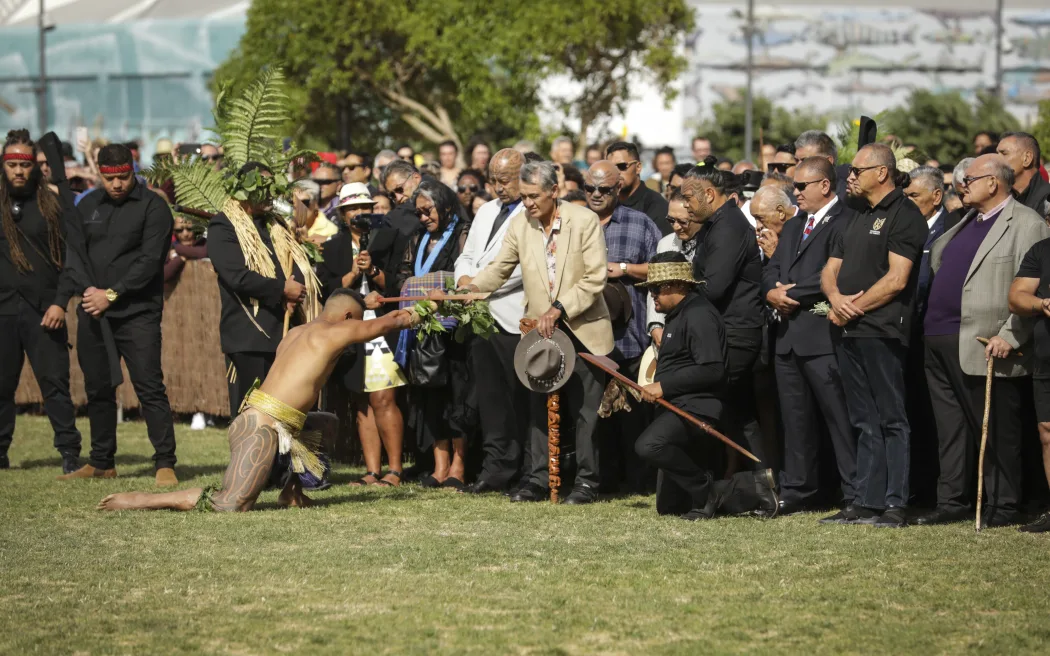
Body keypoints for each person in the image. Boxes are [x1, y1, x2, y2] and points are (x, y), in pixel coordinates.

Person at [96, 290, 428, 512]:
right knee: (231, 506)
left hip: (276, 423)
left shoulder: (298, 333)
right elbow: (394, 321)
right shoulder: (333, 333)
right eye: (355, 319)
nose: (355, 328)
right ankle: (143, 500)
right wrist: (433, 304)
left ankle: (292, 491)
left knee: (325, 423)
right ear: (345, 318)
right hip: (260, 427)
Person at [466, 160, 613, 504]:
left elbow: (595, 277)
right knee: (537, 409)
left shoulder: (584, 221)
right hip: (540, 333)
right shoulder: (521, 224)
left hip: (584, 329)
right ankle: (538, 480)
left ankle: (586, 483)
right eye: (525, 197)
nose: (528, 203)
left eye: (534, 197)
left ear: (554, 192)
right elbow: (500, 268)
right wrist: (468, 289)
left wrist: (559, 308)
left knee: (585, 412)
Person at [918, 155, 1050, 528]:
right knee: (950, 428)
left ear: (994, 182)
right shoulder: (965, 221)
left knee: (995, 428)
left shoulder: (1026, 223)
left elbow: (1032, 287)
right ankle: (952, 500)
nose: (962, 184)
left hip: (986, 341)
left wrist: (1010, 335)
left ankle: (1003, 505)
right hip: (939, 336)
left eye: (970, 178)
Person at [819, 143, 928, 527]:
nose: (850, 176)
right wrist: (835, 299)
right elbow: (830, 270)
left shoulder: (904, 214)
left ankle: (895, 504)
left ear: (881, 173)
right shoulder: (853, 214)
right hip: (847, 328)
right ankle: (864, 501)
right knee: (864, 419)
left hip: (881, 330)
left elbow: (897, 279)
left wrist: (854, 306)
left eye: (857, 171)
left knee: (891, 419)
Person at [59, 143, 178, 486]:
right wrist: (89, 294)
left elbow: (150, 261)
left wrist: (111, 294)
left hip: (137, 312)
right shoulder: (88, 205)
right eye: (110, 179)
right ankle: (101, 461)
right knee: (97, 387)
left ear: (133, 170)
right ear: (99, 174)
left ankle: (165, 462)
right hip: (93, 310)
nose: (117, 185)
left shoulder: (154, 207)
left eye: (124, 177)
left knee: (149, 386)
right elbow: (74, 256)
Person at [634, 252, 779, 519]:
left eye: (656, 289)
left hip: (698, 407)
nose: (652, 296)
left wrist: (663, 386)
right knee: (669, 508)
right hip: (678, 404)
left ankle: (710, 489)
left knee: (648, 445)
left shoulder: (699, 315)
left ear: (677, 285)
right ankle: (735, 491)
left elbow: (713, 370)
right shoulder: (677, 315)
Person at [762, 156, 856, 515]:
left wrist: (790, 294)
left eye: (801, 186)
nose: (795, 192)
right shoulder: (795, 223)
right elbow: (771, 267)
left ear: (825, 185)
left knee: (839, 418)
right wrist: (771, 291)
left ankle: (852, 491)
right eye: (794, 186)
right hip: (788, 337)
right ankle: (798, 490)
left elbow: (832, 274)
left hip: (822, 336)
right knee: (795, 419)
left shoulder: (844, 221)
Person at [0, 129, 81, 473]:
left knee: (55, 386)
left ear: (34, 165)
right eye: (12, 163)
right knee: (1, 387)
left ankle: (69, 453)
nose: (18, 170)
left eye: (24, 163)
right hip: (3, 310)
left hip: (44, 310)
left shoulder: (52, 203)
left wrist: (60, 303)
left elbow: (72, 258)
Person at [318, 183, 407, 487]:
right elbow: (331, 290)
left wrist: (374, 270)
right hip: (350, 330)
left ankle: (394, 470)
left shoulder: (390, 238)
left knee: (383, 398)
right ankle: (371, 471)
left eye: (364, 208)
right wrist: (355, 273)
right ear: (342, 214)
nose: (358, 213)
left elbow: (397, 283)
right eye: (352, 209)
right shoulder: (332, 248)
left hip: (382, 327)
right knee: (361, 401)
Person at [206, 162, 310, 417]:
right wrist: (282, 290)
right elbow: (236, 276)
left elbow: (295, 263)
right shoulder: (223, 226)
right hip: (249, 333)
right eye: (261, 187)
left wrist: (295, 288)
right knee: (252, 410)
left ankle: (280, 458)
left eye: (271, 187)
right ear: (244, 190)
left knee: (283, 409)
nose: (269, 194)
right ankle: (251, 457)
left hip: (285, 332)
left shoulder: (277, 225)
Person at [455, 148, 530, 494]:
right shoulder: (486, 210)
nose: (499, 188)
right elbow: (468, 255)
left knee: (518, 398)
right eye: (495, 181)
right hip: (480, 316)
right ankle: (494, 468)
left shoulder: (531, 211)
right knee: (490, 398)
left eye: (506, 181)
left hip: (513, 313)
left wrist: (481, 285)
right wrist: (463, 281)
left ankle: (524, 469)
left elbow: (523, 266)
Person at [681, 167, 767, 466]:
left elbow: (713, 287)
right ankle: (755, 487)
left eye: (688, 197)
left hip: (735, 334)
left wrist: (679, 297)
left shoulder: (729, 226)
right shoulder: (715, 225)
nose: (685, 205)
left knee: (709, 406)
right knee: (738, 414)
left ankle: (738, 485)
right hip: (725, 332)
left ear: (709, 194)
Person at [586, 160, 660, 493]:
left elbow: (662, 270)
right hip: (585, 333)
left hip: (628, 335)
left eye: (604, 189)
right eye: (590, 188)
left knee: (632, 414)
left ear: (619, 188)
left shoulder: (640, 222)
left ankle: (639, 481)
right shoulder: (574, 223)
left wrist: (626, 268)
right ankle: (601, 479)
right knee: (592, 413)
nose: (596, 195)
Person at [393, 179, 472, 489]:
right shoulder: (417, 238)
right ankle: (439, 465)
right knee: (429, 397)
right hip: (422, 328)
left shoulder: (462, 235)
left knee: (456, 396)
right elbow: (404, 276)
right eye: (419, 212)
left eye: (428, 210)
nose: (424, 217)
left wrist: (440, 285)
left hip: (454, 330)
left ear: (446, 205)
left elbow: (468, 274)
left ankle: (459, 465)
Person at [1008, 236, 1050, 532]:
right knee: (1047, 432)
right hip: (1046, 359)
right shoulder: (1042, 250)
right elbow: (1017, 296)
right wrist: (1042, 302)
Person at [647, 192, 701, 347]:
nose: (676, 226)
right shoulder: (665, 244)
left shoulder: (709, 244)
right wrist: (655, 325)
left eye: (683, 221)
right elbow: (654, 285)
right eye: (671, 220)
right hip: (666, 328)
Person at [607, 141, 671, 236]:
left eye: (622, 166)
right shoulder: (605, 202)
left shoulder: (657, 206)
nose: (617, 172)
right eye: (611, 167)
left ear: (638, 167)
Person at [998, 132, 1050, 217]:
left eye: (1004, 153)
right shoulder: (1000, 199)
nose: (996, 160)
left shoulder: (1046, 200)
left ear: (1027, 158)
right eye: (997, 154)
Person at [794, 130, 851, 200]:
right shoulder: (793, 195)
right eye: (796, 160)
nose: (798, 166)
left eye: (805, 160)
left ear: (828, 161)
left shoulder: (847, 198)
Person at [164, 213, 207, 287]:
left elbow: (203, 252)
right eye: (179, 230)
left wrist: (179, 250)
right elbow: (163, 275)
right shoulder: (168, 247)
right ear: (174, 231)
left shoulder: (205, 242)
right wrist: (180, 259)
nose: (185, 234)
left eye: (189, 229)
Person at [750, 186, 793, 261]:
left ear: (781, 212)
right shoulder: (770, 241)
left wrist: (774, 255)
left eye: (760, 218)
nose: (757, 226)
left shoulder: (808, 228)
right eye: (755, 218)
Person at [292, 179, 339, 244]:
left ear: (316, 204)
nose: (298, 207)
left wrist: (305, 241)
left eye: (304, 202)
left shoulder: (331, 231)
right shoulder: (284, 224)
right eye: (292, 202)